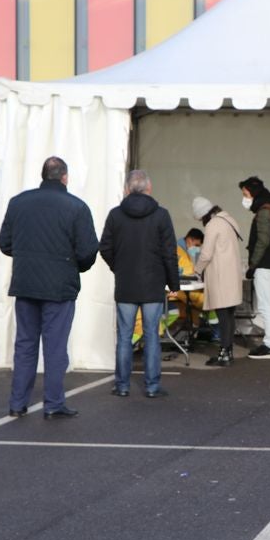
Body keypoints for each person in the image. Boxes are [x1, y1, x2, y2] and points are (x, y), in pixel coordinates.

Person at [0, 156, 99, 420]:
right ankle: (53, 403)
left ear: (43, 175)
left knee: (25, 345)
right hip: (59, 286)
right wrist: (74, 266)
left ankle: (17, 403)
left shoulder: (18, 203)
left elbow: (5, 244)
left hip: (25, 283)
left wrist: (28, 256)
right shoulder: (76, 207)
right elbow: (88, 251)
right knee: (55, 348)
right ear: (64, 177)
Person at [99, 169, 179, 398]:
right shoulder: (161, 215)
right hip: (153, 284)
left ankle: (122, 385)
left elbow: (105, 247)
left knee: (124, 336)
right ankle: (152, 386)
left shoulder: (116, 215)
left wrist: (119, 267)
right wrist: (173, 282)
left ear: (127, 189)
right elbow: (169, 252)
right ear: (149, 188)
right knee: (152, 334)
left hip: (126, 284)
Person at [192, 196, 244, 367]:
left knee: (222, 316)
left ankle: (224, 354)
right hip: (232, 274)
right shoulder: (228, 219)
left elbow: (206, 254)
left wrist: (197, 269)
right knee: (229, 315)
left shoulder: (213, 225)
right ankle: (228, 352)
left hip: (221, 276)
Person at [239, 175, 270, 359]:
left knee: (265, 305)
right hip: (268, 264)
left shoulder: (265, 211)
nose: (244, 198)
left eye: (245, 194)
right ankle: (269, 343)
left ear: (253, 193)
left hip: (264, 264)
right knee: (267, 304)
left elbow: (263, 241)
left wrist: (253, 265)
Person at [172, 227, 205, 329]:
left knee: (201, 299)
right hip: (177, 290)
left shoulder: (186, 251)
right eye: (197, 245)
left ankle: (196, 328)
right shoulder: (176, 250)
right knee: (205, 300)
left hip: (187, 288)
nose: (198, 248)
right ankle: (216, 331)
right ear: (190, 240)